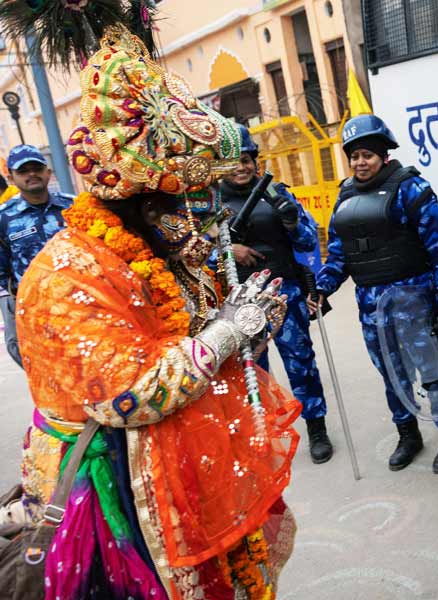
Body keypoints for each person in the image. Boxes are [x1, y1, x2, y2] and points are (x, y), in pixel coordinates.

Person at [13, 24, 299, 598]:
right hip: (112, 483)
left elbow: (190, 332)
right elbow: (131, 394)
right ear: (137, 200)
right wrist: (225, 334)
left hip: (187, 461)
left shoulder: (157, 245)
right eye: (182, 203)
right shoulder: (67, 273)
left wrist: (246, 326)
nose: (193, 220)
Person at [309, 114, 438, 474]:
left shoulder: (410, 189)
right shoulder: (345, 197)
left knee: (433, 371)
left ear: (383, 154)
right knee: (391, 374)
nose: (360, 162)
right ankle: (408, 434)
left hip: (414, 300)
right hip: (371, 308)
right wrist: (322, 287)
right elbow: (338, 254)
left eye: (367, 154)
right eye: (354, 156)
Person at [219, 124, 334, 464]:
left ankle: (317, 428)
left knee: (302, 364)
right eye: (232, 161)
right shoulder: (210, 205)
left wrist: (293, 225)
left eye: (245, 159)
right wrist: (230, 250)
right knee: (253, 372)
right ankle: (265, 436)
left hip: (287, 294)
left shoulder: (277, 193)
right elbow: (196, 254)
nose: (240, 167)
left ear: (256, 161)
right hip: (241, 302)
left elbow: (308, 241)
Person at [0, 144, 73, 367]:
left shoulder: (74, 206)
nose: (31, 175)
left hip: (80, 305)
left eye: (36, 168)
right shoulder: (4, 219)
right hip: (36, 312)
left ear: (47, 172)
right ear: (11, 178)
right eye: (23, 171)